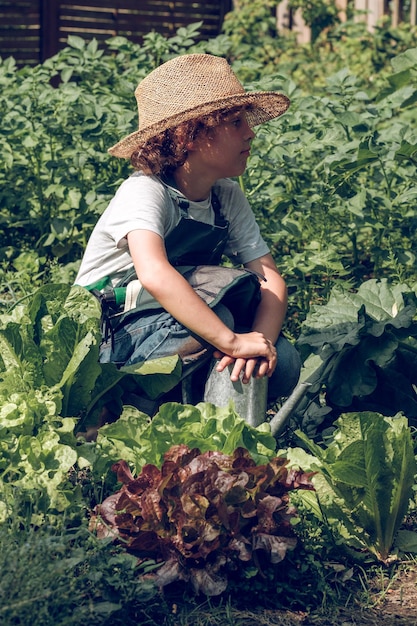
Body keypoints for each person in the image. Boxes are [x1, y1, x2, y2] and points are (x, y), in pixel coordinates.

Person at [75, 53, 301, 411]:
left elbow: (270, 280)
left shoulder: (225, 195)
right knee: (220, 319)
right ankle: (120, 408)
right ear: (190, 135)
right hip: (106, 336)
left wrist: (259, 343)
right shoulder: (146, 191)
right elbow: (155, 274)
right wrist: (231, 340)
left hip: (168, 323)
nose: (250, 132)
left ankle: (207, 422)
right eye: (235, 122)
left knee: (283, 363)